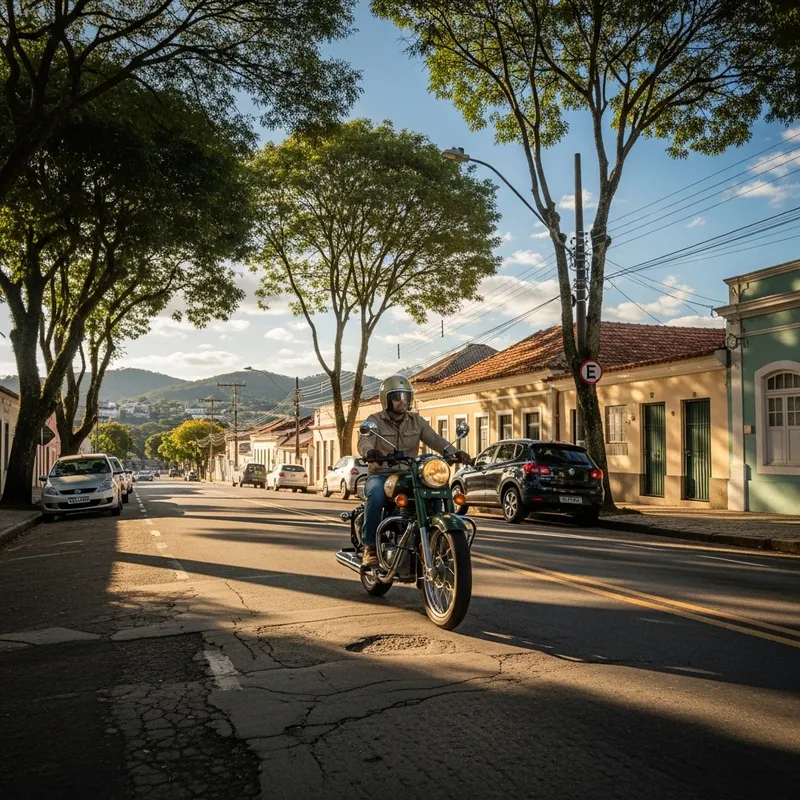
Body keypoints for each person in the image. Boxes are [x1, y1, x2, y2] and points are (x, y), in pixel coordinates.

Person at [357, 375, 471, 569]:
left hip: (411, 474)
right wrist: (370, 452)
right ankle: (370, 547)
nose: (402, 401)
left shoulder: (416, 421)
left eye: (406, 397)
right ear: (386, 399)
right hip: (382, 474)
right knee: (376, 495)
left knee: (435, 490)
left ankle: (437, 538)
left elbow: (435, 440)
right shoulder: (375, 421)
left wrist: (455, 452)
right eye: (397, 397)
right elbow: (364, 440)